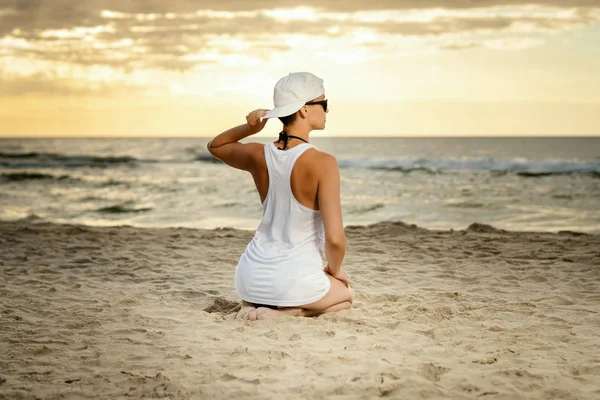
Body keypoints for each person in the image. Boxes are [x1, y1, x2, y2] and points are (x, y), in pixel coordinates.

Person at [207, 72, 352, 320]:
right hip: (294, 281)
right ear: (304, 110)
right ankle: (289, 312)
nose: (327, 111)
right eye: (323, 104)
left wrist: (250, 128)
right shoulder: (323, 162)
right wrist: (334, 270)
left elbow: (216, 146)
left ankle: (253, 306)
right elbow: (336, 240)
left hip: (249, 278)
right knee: (346, 297)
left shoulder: (258, 155)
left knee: (310, 291)